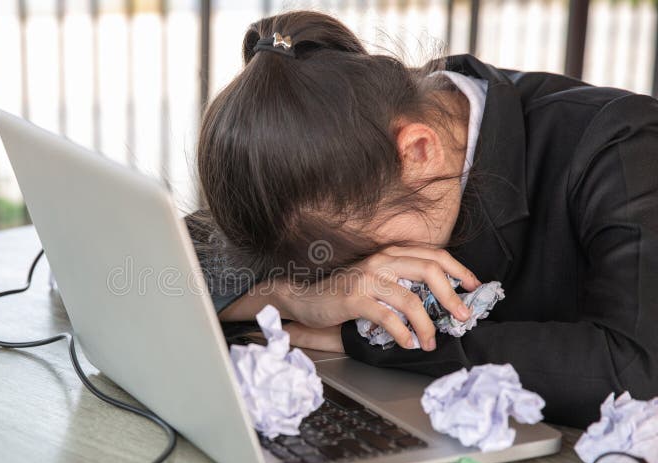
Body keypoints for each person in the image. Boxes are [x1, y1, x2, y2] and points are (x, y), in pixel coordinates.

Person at [186, 10, 658, 428]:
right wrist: (293, 293)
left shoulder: (622, 146)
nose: (363, 275)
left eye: (361, 255)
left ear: (418, 151)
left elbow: (637, 371)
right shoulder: (350, 139)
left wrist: (366, 339)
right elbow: (166, 264)